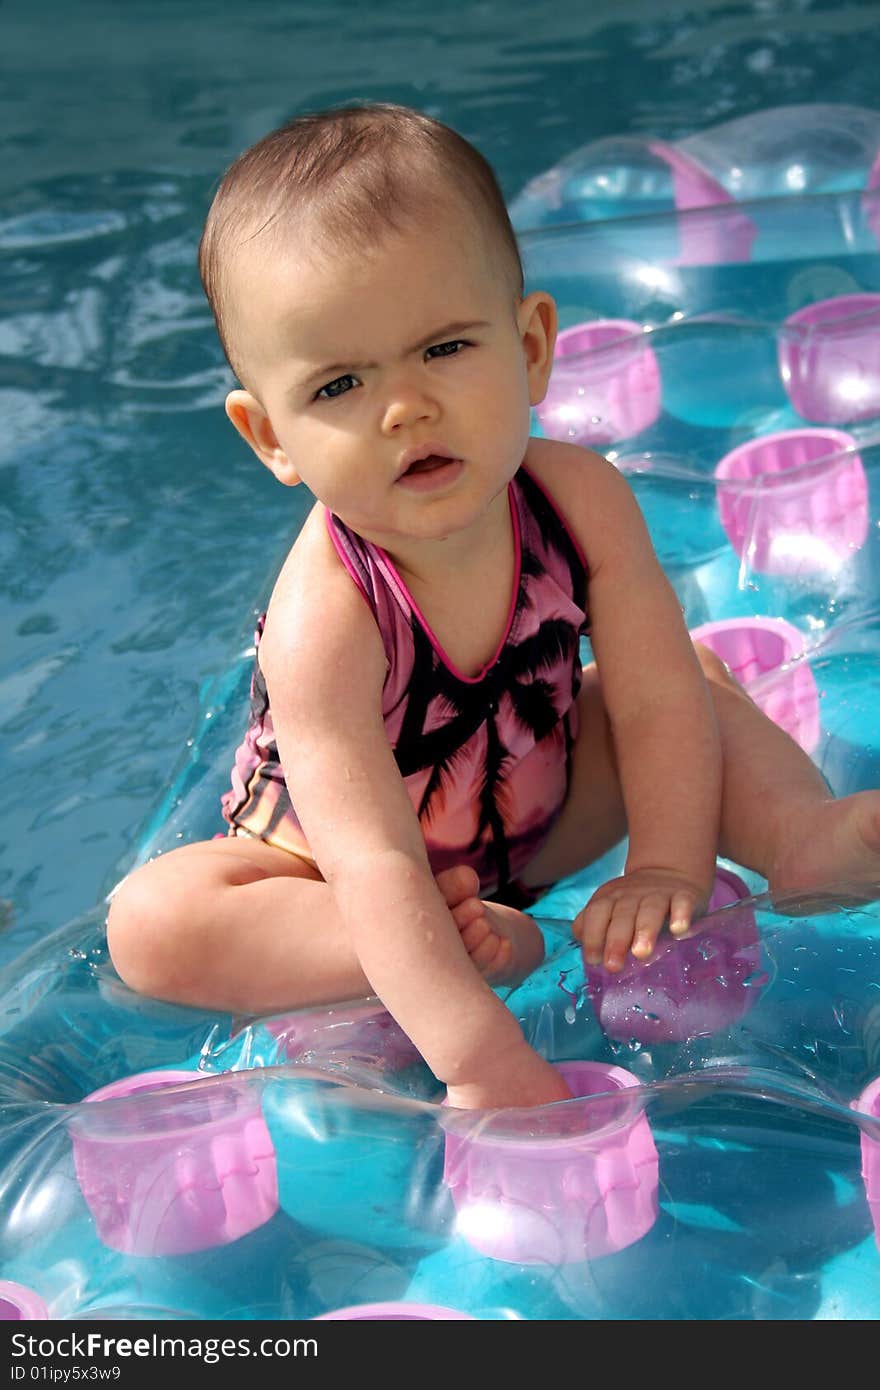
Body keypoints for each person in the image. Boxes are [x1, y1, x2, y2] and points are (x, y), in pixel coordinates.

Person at [107, 103, 880, 1111]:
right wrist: (478, 1054)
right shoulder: (329, 618)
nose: (403, 408)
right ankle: (455, 952)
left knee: (686, 682)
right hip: (341, 882)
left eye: (442, 349)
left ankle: (799, 835)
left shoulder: (578, 499)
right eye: (339, 382)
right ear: (270, 438)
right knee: (155, 921)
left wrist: (664, 867)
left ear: (531, 348)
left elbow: (650, 701)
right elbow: (376, 859)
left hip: (540, 803)